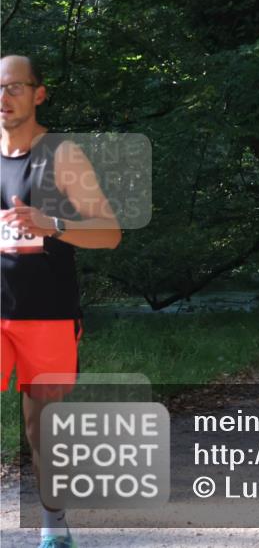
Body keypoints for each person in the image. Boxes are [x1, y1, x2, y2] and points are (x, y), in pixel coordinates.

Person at [1, 55, 122, 548]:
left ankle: (54, 526)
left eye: (14, 88)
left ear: (38, 94)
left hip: (46, 314)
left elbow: (110, 233)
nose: (3, 99)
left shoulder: (62, 155)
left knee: (41, 428)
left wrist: (54, 225)